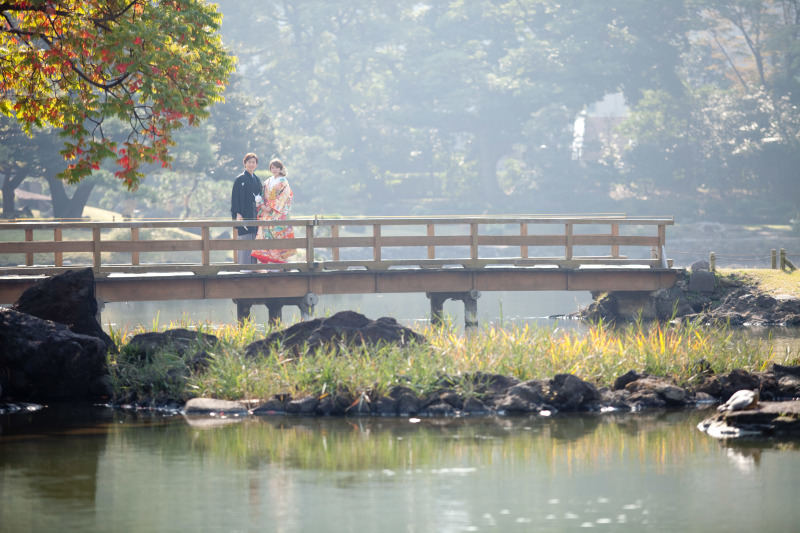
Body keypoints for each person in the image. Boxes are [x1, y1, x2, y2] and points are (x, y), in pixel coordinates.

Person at [251, 158, 295, 264]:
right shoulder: (267, 181)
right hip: (267, 213)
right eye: (272, 168)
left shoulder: (284, 182)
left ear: (280, 169)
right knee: (267, 236)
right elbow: (262, 195)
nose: (274, 170)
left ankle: (280, 263)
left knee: (279, 235)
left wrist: (271, 206)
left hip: (278, 213)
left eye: (276, 168)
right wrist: (262, 205)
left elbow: (284, 196)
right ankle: (268, 263)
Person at [230, 153, 262, 266]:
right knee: (245, 237)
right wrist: (237, 213)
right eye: (249, 162)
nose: (251, 164)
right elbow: (235, 198)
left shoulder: (257, 180)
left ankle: (253, 266)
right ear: (245, 163)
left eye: (253, 162)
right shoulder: (240, 179)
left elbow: (262, 196)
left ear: (256, 165)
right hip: (243, 212)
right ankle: (244, 266)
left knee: (254, 237)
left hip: (255, 213)